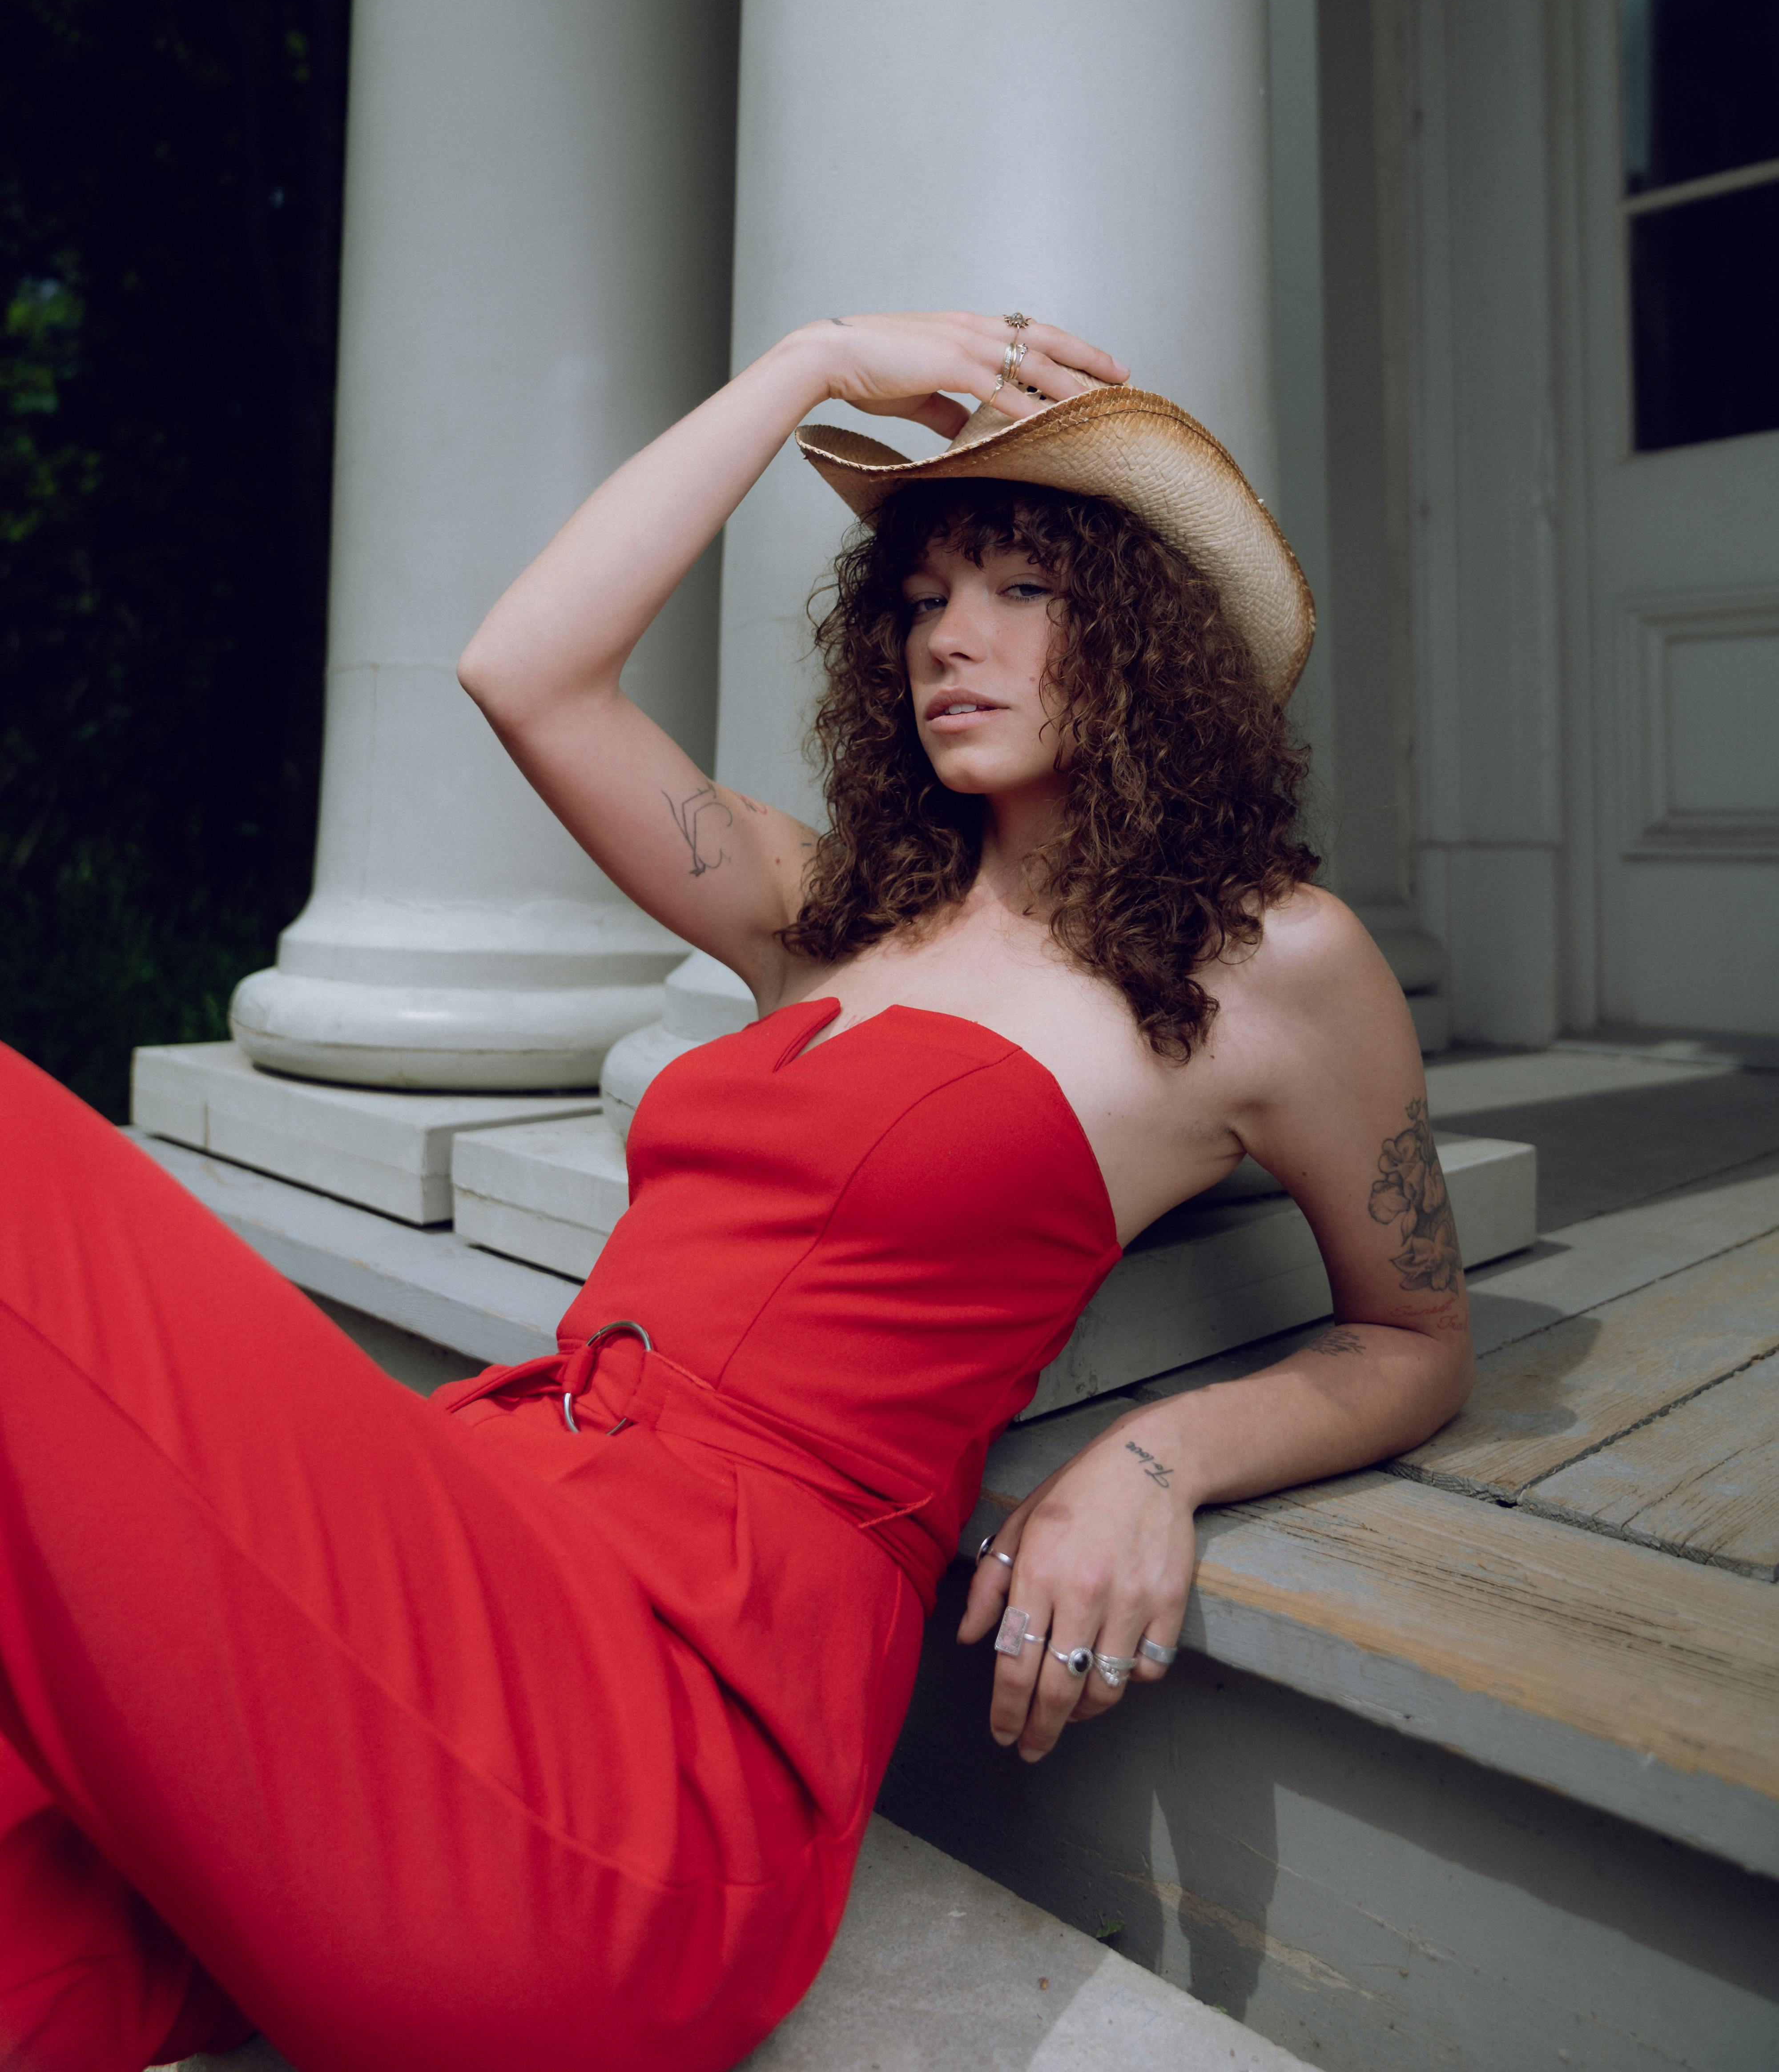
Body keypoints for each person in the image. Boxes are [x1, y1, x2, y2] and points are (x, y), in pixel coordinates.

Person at [0, 312, 1470, 2072]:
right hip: (485, 1534)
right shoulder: (826, 915)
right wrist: (812, 365)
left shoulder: (1266, 960)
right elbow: (527, 669)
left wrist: (1151, 1464)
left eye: (1016, 588)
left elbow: (1410, 1341)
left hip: (649, 1731)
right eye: (920, 599)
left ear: (1141, 627)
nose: (951, 640)